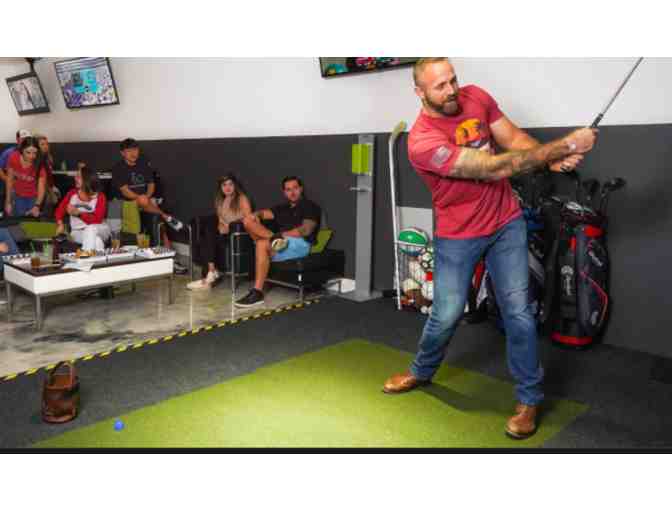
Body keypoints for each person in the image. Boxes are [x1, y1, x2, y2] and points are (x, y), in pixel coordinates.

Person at [382, 58, 598, 440]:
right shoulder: (422, 142)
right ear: (419, 92)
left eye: (452, 80)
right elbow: (491, 168)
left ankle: (529, 399)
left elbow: (513, 139)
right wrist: (563, 145)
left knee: (519, 313)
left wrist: (552, 160)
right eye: (439, 86)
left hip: (505, 223)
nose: (451, 90)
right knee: (446, 315)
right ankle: (421, 370)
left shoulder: (476, 97)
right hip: (458, 234)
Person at [235, 176, 321, 308]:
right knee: (247, 220)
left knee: (261, 244)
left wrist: (281, 235)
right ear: (284, 192)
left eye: (295, 188)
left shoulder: (310, 206)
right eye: (288, 189)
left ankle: (257, 292)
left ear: (301, 189)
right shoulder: (282, 208)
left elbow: (306, 230)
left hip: (300, 244)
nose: (292, 192)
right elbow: (264, 213)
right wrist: (256, 215)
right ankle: (274, 239)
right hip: (281, 243)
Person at [111, 138, 187, 274]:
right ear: (122, 153)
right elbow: (125, 191)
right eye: (129, 151)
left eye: (135, 150)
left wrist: (147, 196)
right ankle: (166, 216)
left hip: (147, 202)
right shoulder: (118, 168)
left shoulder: (143, 165)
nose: (133, 153)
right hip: (128, 203)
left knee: (160, 226)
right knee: (151, 207)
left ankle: (171, 259)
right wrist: (140, 198)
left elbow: (151, 185)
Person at [187, 174, 253, 291]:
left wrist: (229, 226)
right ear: (221, 187)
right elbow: (220, 220)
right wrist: (221, 227)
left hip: (236, 234)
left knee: (209, 234)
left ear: (235, 186)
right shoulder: (219, 200)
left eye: (230, 184)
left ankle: (209, 276)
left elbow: (249, 218)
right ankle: (211, 272)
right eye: (224, 185)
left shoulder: (242, 198)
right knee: (207, 234)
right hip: (223, 233)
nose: (227, 188)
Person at [55, 165, 110, 251]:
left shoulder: (100, 196)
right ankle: (95, 256)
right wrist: (60, 223)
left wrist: (79, 214)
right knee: (97, 241)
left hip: (99, 229)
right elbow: (59, 211)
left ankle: (84, 255)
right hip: (77, 232)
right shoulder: (72, 194)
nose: (75, 178)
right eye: (75, 176)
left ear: (87, 179)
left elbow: (97, 220)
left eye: (78, 177)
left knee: (90, 228)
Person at [4, 137, 47, 217]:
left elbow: (41, 188)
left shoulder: (39, 164)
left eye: (34, 153)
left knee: (31, 221)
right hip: (17, 195)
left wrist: (37, 206)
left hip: (33, 197)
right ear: (22, 150)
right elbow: (9, 180)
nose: (31, 156)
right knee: (17, 219)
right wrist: (8, 201)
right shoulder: (13, 158)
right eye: (28, 152)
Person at [1, 129, 32, 213]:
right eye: (23, 139)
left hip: (29, 190)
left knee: (29, 214)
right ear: (17, 140)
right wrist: (7, 179)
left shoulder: (33, 152)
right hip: (13, 189)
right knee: (14, 213)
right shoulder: (9, 152)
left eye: (27, 139)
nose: (25, 141)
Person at [35, 134, 61, 216]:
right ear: (36, 146)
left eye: (47, 144)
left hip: (48, 188)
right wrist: (51, 192)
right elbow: (43, 180)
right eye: (42, 144)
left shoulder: (47, 157)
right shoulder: (38, 160)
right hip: (43, 191)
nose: (46, 146)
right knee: (44, 216)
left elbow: (48, 176)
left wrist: (53, 187)